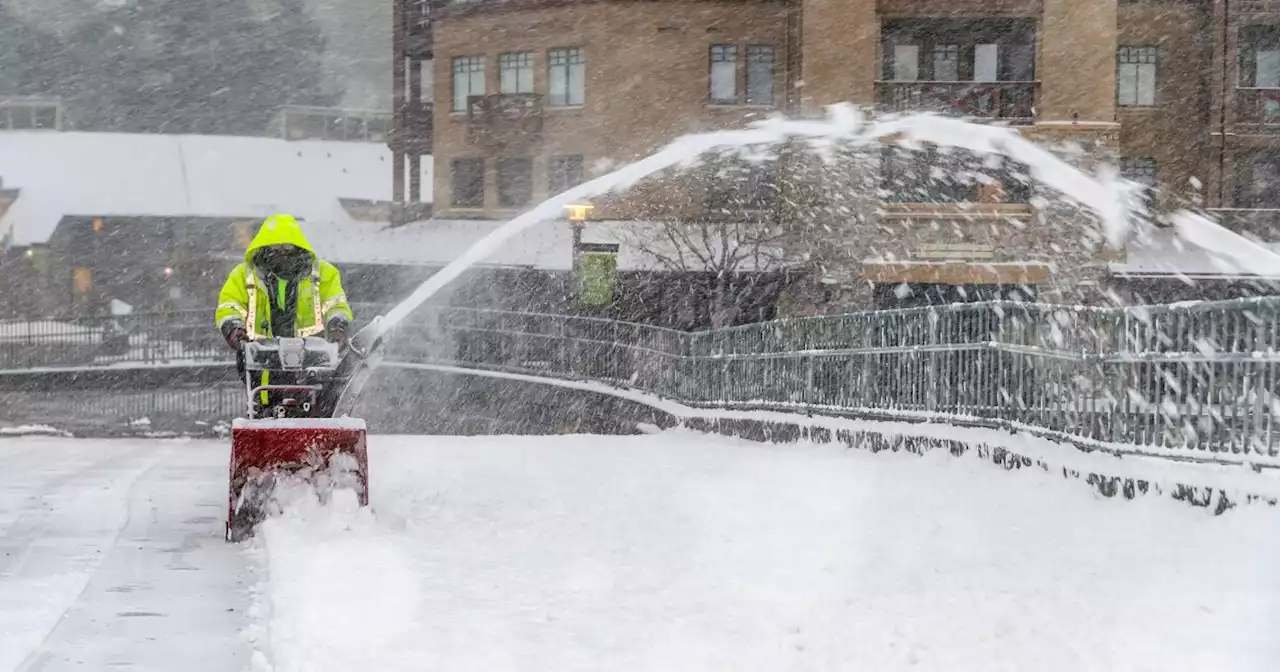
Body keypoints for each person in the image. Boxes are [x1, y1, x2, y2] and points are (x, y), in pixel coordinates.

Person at [215, 214, 354, 412]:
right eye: (275, 248)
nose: (281, 253)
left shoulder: (323, 273)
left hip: (311, 355)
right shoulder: (244, 275)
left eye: (286, 248)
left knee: (315, 404)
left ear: (297, 247)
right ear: (264, 248)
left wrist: (337, 326)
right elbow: (230, 305)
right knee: (265, 404)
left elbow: (335, 303)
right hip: (261, 355)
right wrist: (234, 328)